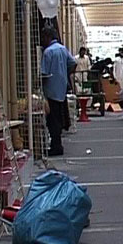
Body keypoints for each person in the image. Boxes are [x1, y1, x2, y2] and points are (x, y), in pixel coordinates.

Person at [41, 27, 76, 156]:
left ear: (48, 37)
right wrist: (65, 75)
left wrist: (41, 90)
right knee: (60, 118)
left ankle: (56, 146)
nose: (42, 40)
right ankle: (57, 144)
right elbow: (73, 63)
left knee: (52, 120)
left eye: (43, 37)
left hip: (51, 91)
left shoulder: (47, 52)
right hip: (62, 89)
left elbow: (44, 74)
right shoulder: (63, 49)